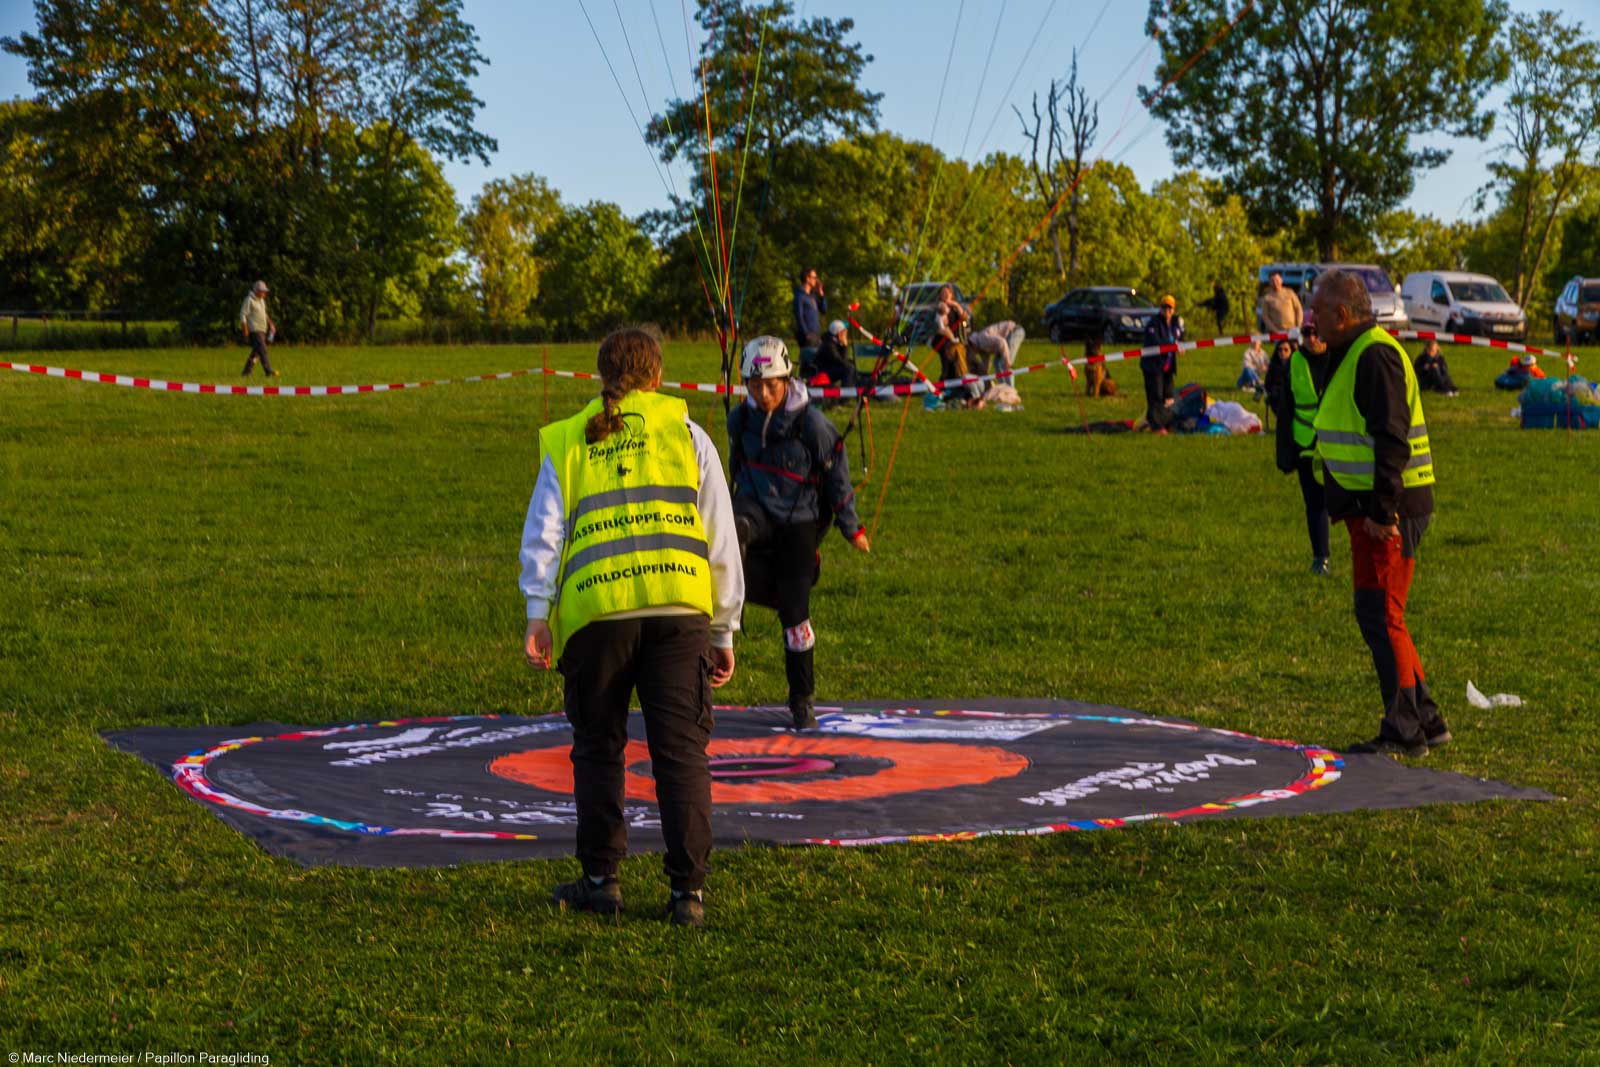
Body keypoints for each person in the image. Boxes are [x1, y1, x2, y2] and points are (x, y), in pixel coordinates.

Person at [519, 327, 744, 928]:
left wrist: (538, 611)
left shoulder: (571, 439)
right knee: (681, 755)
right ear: (658, 376)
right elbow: (720, 535)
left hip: (598, 615)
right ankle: (687, 893)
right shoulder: (687, 434)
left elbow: (544, 531)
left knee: (598, 749)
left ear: (601, 376)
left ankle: (601, 881)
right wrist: (724, 627)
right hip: (679, 612)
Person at [1303, 270, 1446, 759]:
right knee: (1382, 614)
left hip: (1388, 512)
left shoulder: (1375, 354)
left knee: (1381, 615)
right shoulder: (1355, 350)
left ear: (1342, 314)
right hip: (1372, 509)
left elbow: (1391, 439)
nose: (1311, 318)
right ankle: (1425, 717)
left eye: (1318, 310)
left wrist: (1384, 513)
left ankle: (1404, 728)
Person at [728, 336, 870, 729]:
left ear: (787, 379)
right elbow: (735, 468)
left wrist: (851, 527)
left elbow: (838, 479)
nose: (763, 393)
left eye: (771, 384)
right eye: (755, 385)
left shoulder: (813, 425)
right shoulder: (740, 420)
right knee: (730, 535)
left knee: (795, 616)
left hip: (798, 518)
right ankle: (730, 612)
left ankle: (802, 699)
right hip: (754, 509)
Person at [1269, 337, 1330, 575]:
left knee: (1351, 508)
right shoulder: (1294, 363)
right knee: (1315, 505)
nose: (1312, 338)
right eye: (1307, 332)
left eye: (1316, 332)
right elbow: (1285, 410)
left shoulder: (1340, 357)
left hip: (1339, 447)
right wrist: (1285, 454)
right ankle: (1320, 558)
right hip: (1305, 445)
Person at [930, 284, 980, 407]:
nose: (945, 295)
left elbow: (964, 318)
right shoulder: (938, 308)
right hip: (943, 342)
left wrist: (956, 305)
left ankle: (960, 390)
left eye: (947, 293)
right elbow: (936, 325)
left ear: (951, 295)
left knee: (960, 364)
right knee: (947, 365)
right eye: (942, 293)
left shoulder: (956, 308)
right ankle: (944, 391)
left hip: (957, 342)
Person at [1140, 295, 1183, 428]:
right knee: (1156, 397)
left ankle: (1166, 421)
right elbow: (1155, 342)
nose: (1167, 311)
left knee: (1169, 396)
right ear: (1160, 308)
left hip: (1168, 367)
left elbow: (1180, 336)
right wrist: (1173, 345)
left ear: (1173, 310)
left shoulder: (1175, 322)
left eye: (1170, 308)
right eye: (1164, 307)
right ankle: (1156, 425)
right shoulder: (1153, 323)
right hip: (1153, 366)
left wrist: (1180, 345)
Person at [239, 280, 279, 377]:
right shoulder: (249, 300)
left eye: (265, 291)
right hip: (255, 330)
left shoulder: (262, 301)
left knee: (256, 352)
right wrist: (245, 330)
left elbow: (264, 314)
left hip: (262, 329)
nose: (264, 293)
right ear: (257, 290)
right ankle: (268, 371)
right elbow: (242, 315)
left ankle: (246, 371)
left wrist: (271, 324)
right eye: (263, 291)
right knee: (263, 349)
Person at [969, 320, 1026, 384]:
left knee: (1004, 364)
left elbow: (1002, 342)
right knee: (997, 363)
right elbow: (986, 366)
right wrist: (981, 375)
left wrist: (1007, 360)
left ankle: (1009, 389)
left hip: (1015, 332)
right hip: (1006, 339)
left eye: (971, 349)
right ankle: (1003, 387)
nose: (974, 353)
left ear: (973, 345)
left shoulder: (982, 340)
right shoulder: (981, 349)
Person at [812, 319, 858, 390]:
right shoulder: (829, 345)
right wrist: (845, 346)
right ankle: (846, 393)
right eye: (844, 331)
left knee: (850, 365)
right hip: (823, 372)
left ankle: (852, 390)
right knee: (849, 368)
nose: (846, 333)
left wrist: (843, 346)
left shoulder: (833, 341)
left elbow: (842, 360)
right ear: (839, 333)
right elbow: (841, 362)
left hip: (830, 368)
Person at [1258, 271, 1303, 335]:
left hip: (1293, 330)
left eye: (1277, 280)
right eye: (1272, 280)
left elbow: (1298, 309)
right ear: (1270, 282)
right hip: (1277, 332)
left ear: (1281, 280)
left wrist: (1298, 326)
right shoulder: (1267, 298)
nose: (1275, 282)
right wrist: (1275, 331)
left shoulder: (1290, 292)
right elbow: (1265, 316)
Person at [792, 267, 826, 350]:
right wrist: (806, 334)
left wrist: (821, 295)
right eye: (814, 277)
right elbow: (799, 316)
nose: (816, 280)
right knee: (808, 357)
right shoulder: (799, 296)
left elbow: (824, 310)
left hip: (815, 334)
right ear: (807, 278)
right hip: (807, 336)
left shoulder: (812, 296)